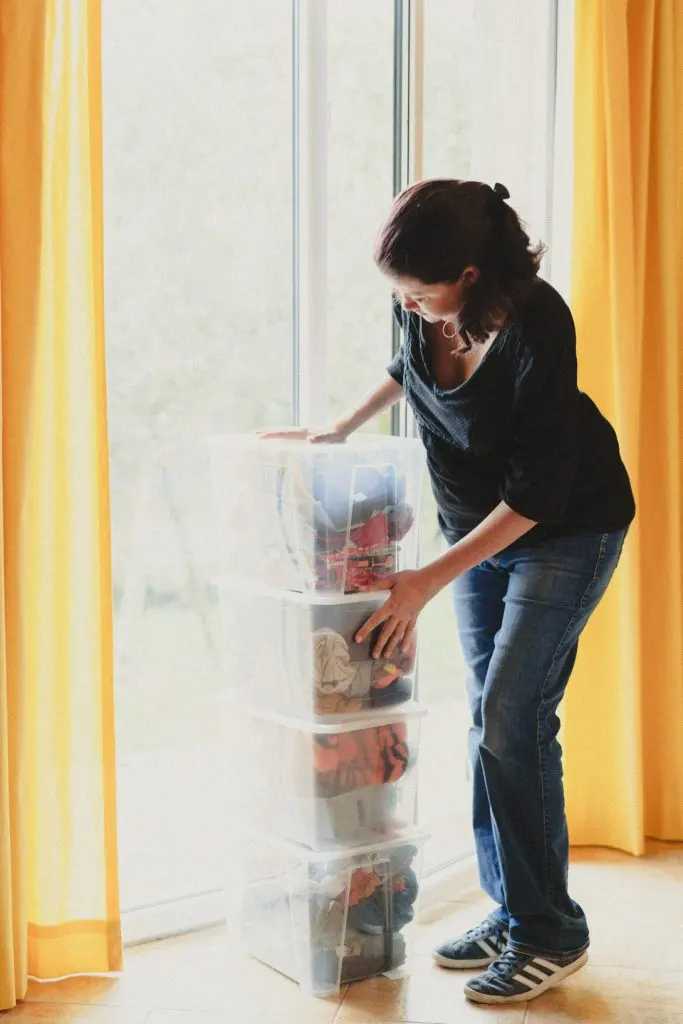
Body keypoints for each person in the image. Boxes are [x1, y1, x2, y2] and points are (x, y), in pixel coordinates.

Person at [262, 179, 635, 1005]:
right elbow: (405, 372)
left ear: (469, 274)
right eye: (398, 290)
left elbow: (539, 492)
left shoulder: (537, 319)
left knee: (514, 716)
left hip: (566, 528)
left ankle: (549, 932)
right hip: (480, 533)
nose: (406, 303)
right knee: (489, 718)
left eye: (420, 290)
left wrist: (423, 582)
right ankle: (514, 908)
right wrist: (340, 427)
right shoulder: (417, 307)